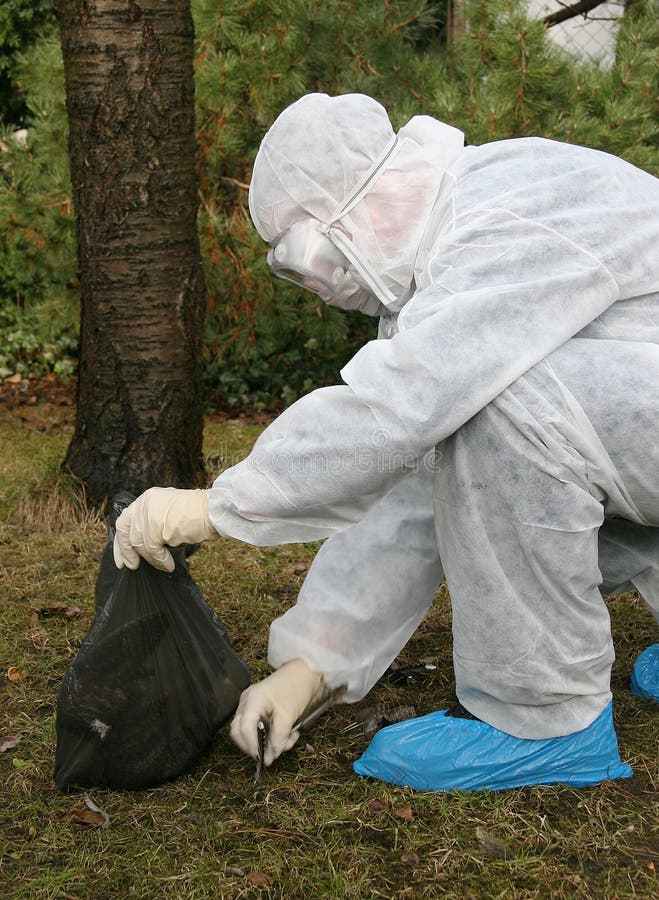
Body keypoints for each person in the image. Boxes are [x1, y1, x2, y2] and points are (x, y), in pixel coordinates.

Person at [113, 93, 659, 791]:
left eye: (306, 253)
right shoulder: (446, 268)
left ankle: (549, 724)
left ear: (364, 201)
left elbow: (402, 409)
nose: (319, 284)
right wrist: (311, 669)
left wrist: (217, 505)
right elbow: (408, 481)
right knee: (481, 404)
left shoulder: (502, 213)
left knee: (504, 399)